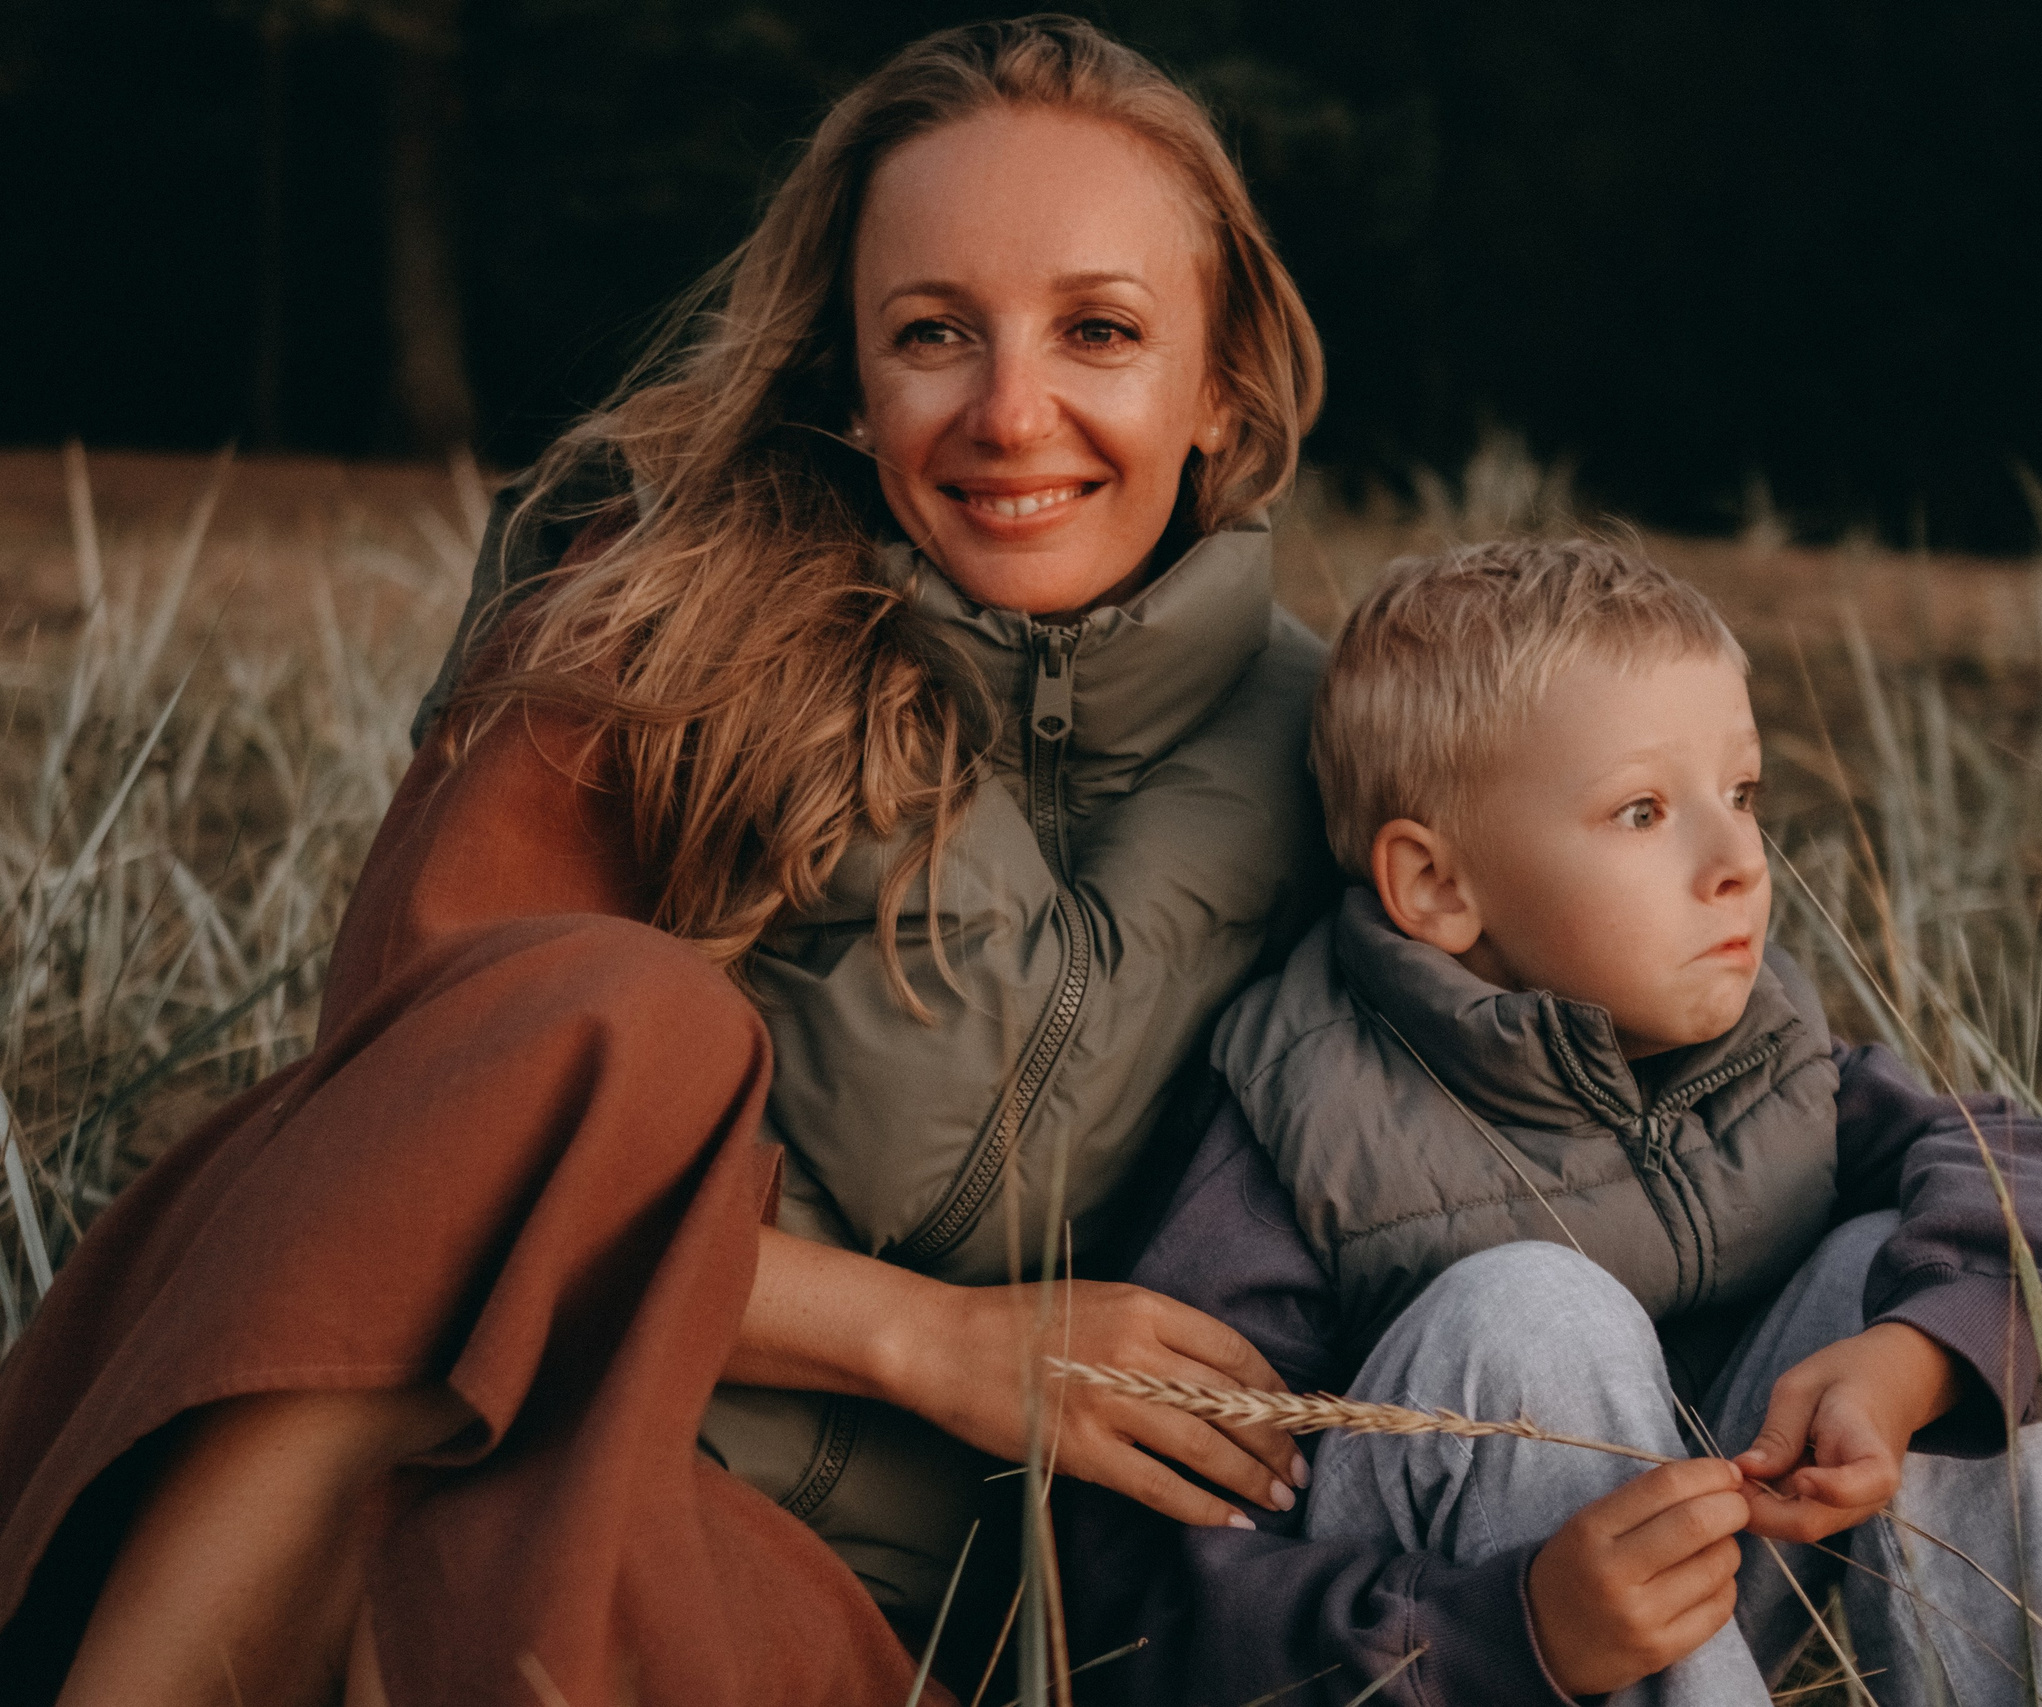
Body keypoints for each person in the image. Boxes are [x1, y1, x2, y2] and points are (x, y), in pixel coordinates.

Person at [0, 19, 1330, 1705]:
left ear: (1218, 378)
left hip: (908, 1614)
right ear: (850, 375)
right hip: (516, 1440)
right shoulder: (660, 620)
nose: (1011, 411)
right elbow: (395, 1167)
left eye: (1101, 330)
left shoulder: (1350, 750)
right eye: (934, 333)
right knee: (616, 1038)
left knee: (528, 1595)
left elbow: (1564, 1099)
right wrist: (934, 1342)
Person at [1064, 538, 2042, 1706]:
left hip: (1714, 1585)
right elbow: (1149, 1622)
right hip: (1449, 1655)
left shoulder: (1772, 1060)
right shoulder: (1305, 1132)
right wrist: (1515, 1629)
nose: (1736, 858)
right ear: (1439, 889)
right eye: (1643, 811)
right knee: (1532, 1310)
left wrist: (1912, 1362)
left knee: (1922, 1287)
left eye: (1739, 794)